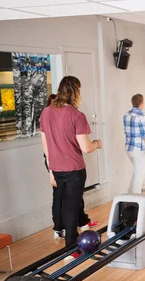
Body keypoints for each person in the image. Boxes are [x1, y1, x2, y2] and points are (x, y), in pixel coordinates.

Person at [40, 76, 102, 261]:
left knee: (64, 205)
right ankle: (71, 250)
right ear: (76, 91)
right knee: (71, 208)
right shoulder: (77, 115)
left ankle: (67, 245)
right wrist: (97, 143)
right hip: (74, 169)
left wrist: (51, 170)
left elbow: (45, 144)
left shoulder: (46, 112)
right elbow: (86, 147)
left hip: (56, 168)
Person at [123, 94, 145, 194]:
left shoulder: (126, 115)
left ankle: (130, 193)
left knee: (136, 172)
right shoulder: (141, 116)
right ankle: (136, 197)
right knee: (140, 175)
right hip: (137, 149)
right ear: (142, 103)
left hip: (128, 148)